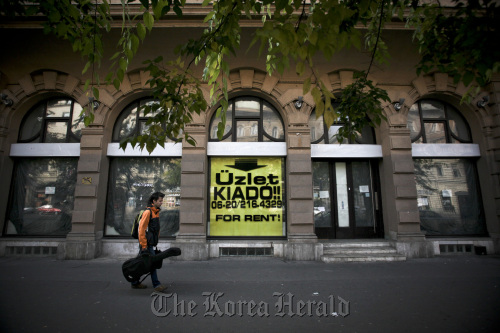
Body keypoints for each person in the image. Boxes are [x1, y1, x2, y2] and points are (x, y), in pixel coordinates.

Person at [131, 191, 168, 292]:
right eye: (160, 201)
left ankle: (134, 282)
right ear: (154, 201)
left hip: (150, 243)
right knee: (152, 263)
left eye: (162, 201)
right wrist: (143, 245)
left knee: (142, 264)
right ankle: (156, 284)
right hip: (147, 244)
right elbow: (141, 230)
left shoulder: (155, 212)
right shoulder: (148, 212)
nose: (161, 203)